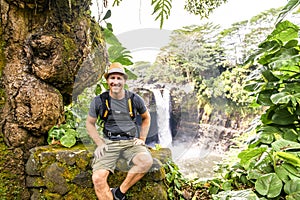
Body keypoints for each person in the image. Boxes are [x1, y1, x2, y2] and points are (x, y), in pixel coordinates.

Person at [86, 62, 153, 200]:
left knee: (146, 161)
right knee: (98, 178)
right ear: (107, 81)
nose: (115, 81)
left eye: (119, 78)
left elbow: (146, 118)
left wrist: (142, 139)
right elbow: (90, 123)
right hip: (109, 143)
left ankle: (119, 193)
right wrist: (99, 143)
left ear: (124, 80)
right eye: (112, 78)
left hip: (130, 142)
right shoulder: (99, 101)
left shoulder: (134, 99)